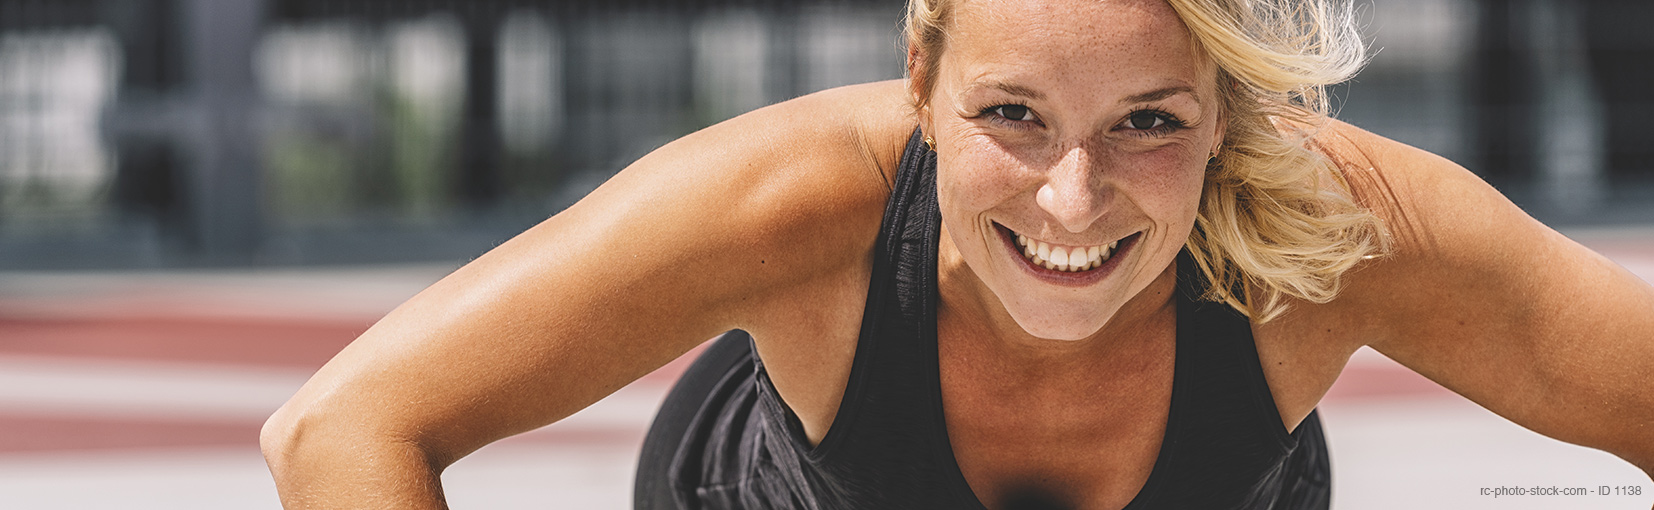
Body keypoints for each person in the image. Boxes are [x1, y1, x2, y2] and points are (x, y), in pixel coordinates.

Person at [259, 0, 1654, 508]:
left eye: (1148, 123)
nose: (1070, 196)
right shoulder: (790, 200)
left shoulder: (1341, 234)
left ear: (1226, 108)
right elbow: (343, 424)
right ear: (919, 78)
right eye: (1008, 115)